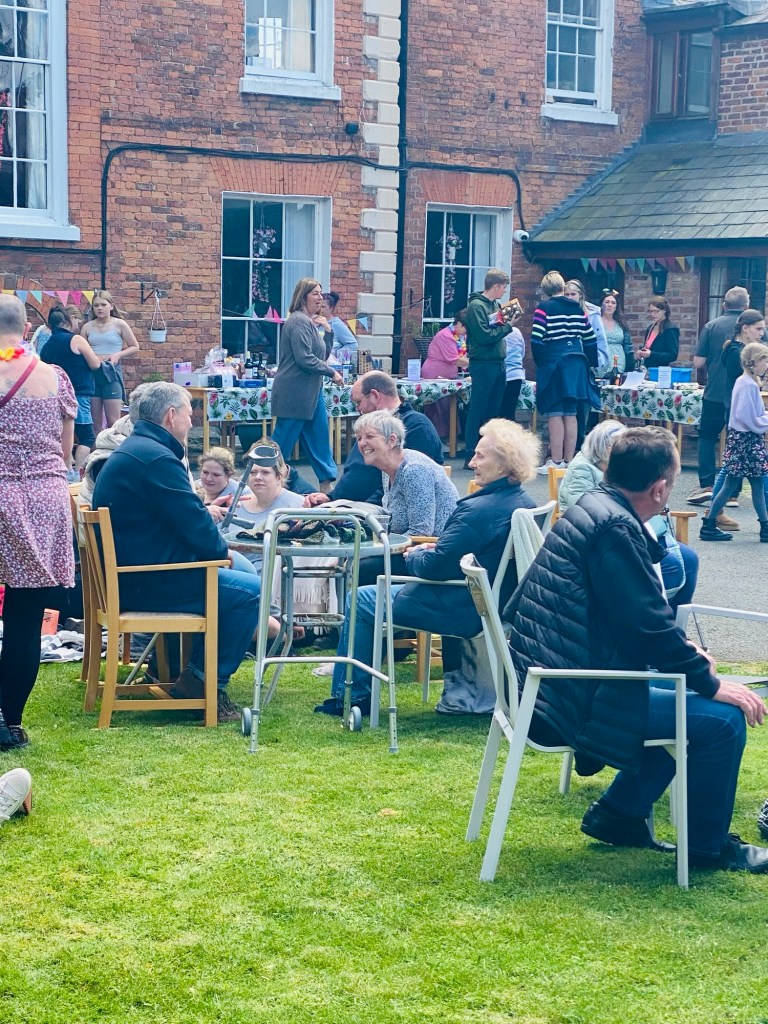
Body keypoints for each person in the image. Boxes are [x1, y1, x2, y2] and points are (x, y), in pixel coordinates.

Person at [504, 426, 768, 874]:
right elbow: (647, 628)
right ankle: (706, 849)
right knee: (721, 721)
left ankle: (619, 815)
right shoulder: (616, 528)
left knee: (685, 693)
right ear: (661, 489)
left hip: (547, 685)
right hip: (566, 697)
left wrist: (687, 657)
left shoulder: (593, 506)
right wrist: (710, 682)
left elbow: (633, 620)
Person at [314, 419, 537, 717]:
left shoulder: (478, 509)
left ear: (503, 465)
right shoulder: (521, 501)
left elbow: (433, 567)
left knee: (360, 599)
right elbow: (454, 552)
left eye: (480, 456)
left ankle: (352, 697)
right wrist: (431, 550)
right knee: (367, 576)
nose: (471, 462)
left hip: (460, 603)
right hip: (488, 600)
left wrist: (415, 554)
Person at [91, 382, 262, 721]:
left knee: (238, 576)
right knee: (250, 592)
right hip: (146, 582)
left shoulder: (137, 450)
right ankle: (200, 682)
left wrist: (215, 551)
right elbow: (195, 525)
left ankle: (168, 668)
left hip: (135, 577)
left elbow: (181, 520)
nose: (191, 420)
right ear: (171, 416)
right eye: (189, 413)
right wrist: (219, 552)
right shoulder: (156, 458)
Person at [0, 295, 77, 750]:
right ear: (28, 328)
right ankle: (10, 722)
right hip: (43, 499)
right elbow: (65, 453)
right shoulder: (55, 377)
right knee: (25, 618)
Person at [559, 419, 699, 612]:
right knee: (671, 566)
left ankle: (676, 617)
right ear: (603, 446)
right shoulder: (587, 474)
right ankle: (664, 612)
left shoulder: (615, 484)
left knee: (689, 558)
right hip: (597, 544)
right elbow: (581, 506)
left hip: (638, 530)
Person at [303, 370, 443, 506]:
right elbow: (354, 475)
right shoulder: (370, 427)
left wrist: (358, 511)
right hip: (349, 508)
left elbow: (402, 483)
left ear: (375, 396)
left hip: (374, 513)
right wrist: (330, 497)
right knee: (294, 491)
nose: (357, 409)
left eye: (358, 402)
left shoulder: (416, 426)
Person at [270, 279, 343, 492]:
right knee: (282, 441)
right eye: (315, 293)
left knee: (319, 438)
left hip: (311, 392)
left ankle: (326, 486)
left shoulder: (310, 323)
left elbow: (322, 356)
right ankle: (261, 477)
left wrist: (328, 331)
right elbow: (304, 359)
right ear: (303, 296)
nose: (320, 298)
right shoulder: (298, 321)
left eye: (321, 293)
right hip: (294, 392)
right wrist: (332, 373)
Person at [701, 308, 767, 532]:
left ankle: (715, 518)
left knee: (748, 479)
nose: (762, 333)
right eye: (758, 328)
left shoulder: (746, 374)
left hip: (744, 431)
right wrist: (763, 421)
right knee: (733, 477)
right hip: (744, 433)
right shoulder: (738, 360)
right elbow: (746, 414)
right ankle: (712, 517)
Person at [531, 271, 598, 473]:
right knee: (571, 413)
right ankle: (569, 460)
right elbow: (590, 339)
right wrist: (590, 364)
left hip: (554, 361)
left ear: (545, 289)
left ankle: (556, 460)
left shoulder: (544, 308)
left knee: (555, 412)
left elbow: (536, 340)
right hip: (577, 363)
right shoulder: (578, 309)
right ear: (562, 287)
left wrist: (542, 364)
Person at [688, 286, 750, 506]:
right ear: (746, 306)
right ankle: (733, 492)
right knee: (738, 440)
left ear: (724, 305)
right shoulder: (753, 328)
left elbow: (698, 362)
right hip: (742, 395)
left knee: (707, 437)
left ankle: (706, 484)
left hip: (715, 391)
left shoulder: (711, 325)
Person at [462, 269, 519, 467]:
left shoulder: (495, 305)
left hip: (498, 362)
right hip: (483, 363)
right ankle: (471, 453)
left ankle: (488, 452)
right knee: (478, 408)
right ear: (495, 286)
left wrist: (504, 323)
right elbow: (484, 336)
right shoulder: (476, 306)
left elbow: (494, 328)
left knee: (494, 409)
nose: (504, 291)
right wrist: (508, 326)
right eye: (503, 287)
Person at [40, 306, 102, 476]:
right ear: (69, 320)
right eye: (76, 320)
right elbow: (95, 364)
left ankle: (64, 470)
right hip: (78, 394)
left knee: (63, 436)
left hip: (55, 395)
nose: (78, 324)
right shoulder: (76, 340)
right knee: (87, 437)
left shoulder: (46, 346)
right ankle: (76, 473)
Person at [81, 289, 140, 429]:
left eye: (103, 305)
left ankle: (113, 443)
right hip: (93, 373)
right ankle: (96, 443)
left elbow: (135, 346)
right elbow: (81, 349)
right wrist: (91, 356)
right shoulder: (87, 327)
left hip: (112, 372)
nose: (100, 308)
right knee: (95, 422)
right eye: (96, 305)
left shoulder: (119, 324)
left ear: (111, 306)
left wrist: (117, 355)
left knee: (113, 420)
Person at [598, 289, 634, 376]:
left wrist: (631, 366)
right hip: (600, 361)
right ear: (601, 304)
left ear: (616, 306)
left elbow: (628, 346)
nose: (610, 305)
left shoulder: (621, 323)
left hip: (619, 362)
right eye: (607, 302)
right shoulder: (596, 322)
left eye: (613, 303)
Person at [637, 296, 679, 368]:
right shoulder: (650, 328)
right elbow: (648, 348)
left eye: (656, 311)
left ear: (664, 310)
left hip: (660, 370)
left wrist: (651, 354)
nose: (652, 314)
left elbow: (672, 355)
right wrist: (642, 353)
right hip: (648, 369)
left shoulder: (670, 329)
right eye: (651, 311)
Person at [321, 291, 358, 364]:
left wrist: (334, 355)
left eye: (323, 307)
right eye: (318, 306)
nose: (320, 310)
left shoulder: (337, 324)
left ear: (331, 308)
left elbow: (353, 344)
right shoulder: (315, 322)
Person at [500, 321, 526, 422]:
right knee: (510, 411)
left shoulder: (498, 332)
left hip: (501, 373)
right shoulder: (517, 332)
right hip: (516, 374)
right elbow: (522, 352)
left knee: (499, 411)